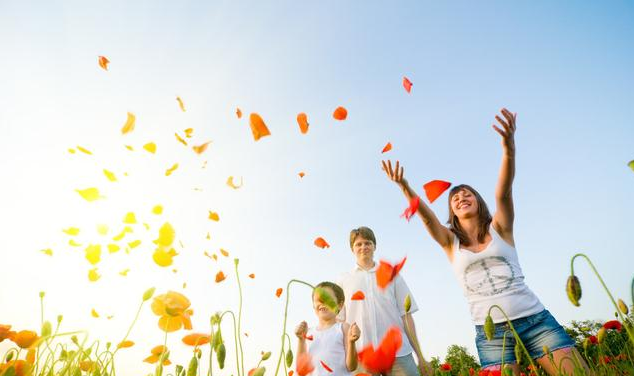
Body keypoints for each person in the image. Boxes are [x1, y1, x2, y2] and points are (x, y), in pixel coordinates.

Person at [382, 108, 588, 375]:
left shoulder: (501, 227)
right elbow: (427, 219)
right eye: (455, 199)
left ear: (479, 202)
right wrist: (404, 186)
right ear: (452, 212)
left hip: (536, 321)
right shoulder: (449, 242)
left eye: (467, 194)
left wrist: (508, 149)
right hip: (491, 332)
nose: (461, 198)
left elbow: (504, 190)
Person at [338, 226, 430, 376]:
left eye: (367, 243)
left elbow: (406, 316)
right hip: (362, 356)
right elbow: (340, 322)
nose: (363, 247)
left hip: (398, 354)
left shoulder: (391, 274)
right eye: (358, 244)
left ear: (374, 246)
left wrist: (420, 355)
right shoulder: (343, 280)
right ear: (352, 249)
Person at [295, 281, 361, 376]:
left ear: (340, 305)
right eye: (318, 299)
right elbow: (301, 370)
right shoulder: (308, 332)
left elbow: (351, 367)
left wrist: (351, 342)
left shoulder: (343, 328)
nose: (322, 302)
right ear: (313, 306)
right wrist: (301, 340)